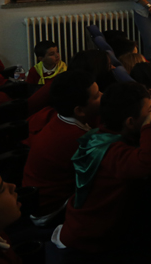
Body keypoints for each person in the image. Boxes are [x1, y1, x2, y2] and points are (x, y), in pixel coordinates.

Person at [51, 82, 151, 264]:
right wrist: (148, 127)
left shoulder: (99, 135)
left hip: (82, 226)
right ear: (130, 122)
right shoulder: (112, 153)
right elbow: (149, 162)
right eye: (147, 113)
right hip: (88, 243)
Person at [23, 68, 101, 225]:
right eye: (97, 96)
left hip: (40, 201)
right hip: (51, 211)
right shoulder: (76, 139)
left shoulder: (61, 120)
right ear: (79, 110)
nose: (103, 97)